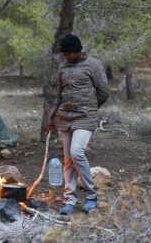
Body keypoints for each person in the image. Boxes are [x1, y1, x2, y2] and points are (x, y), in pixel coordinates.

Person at [46, 33, 110, 215]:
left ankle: (91, 196)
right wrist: (51, 116)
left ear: (77, 51)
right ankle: (70, 199)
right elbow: (59, 93)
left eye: (69, 54)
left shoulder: (94, 65)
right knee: (68, 159)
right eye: (64, 54)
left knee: (76, 152)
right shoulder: (63, 67)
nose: (66, 57)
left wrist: (90, 107)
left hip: (85, 117)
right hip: (65, 117)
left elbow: (104, 91)